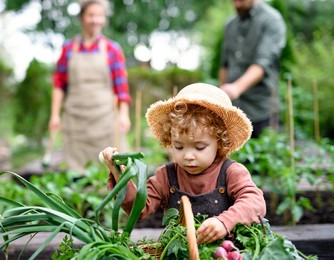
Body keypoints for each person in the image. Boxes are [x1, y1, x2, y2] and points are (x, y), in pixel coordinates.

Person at [100, 83, 266, 244]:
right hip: (179, 255)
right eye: (178, 146)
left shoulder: (231, 172)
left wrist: (225, 222)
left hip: (224, 255)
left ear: (220, 143)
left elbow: (255, 202)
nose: (188, 156)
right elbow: (139, 209)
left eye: (200, 147)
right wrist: (119, 174)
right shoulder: (166, 176)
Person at [49, 0, 131, 173]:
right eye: (91, 15)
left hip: (105, 120)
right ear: (81, 17)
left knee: (111, 170)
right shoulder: (68, 49)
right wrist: (55, 115)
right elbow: (59, 84)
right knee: (76, 173)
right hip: (75, 120)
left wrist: (124, 115)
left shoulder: (112, 49)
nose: (96, 20)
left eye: (100, 16)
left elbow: (121, 88)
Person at [218, 0, 286, 138]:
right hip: (234, 112)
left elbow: (263, 63)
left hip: (261, 110)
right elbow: (225, 64)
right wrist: (222, 98)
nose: (237, 4)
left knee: (265, 155)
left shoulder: (271, 20)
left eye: (241, 0)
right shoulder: (230, 24)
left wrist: (236, 88)